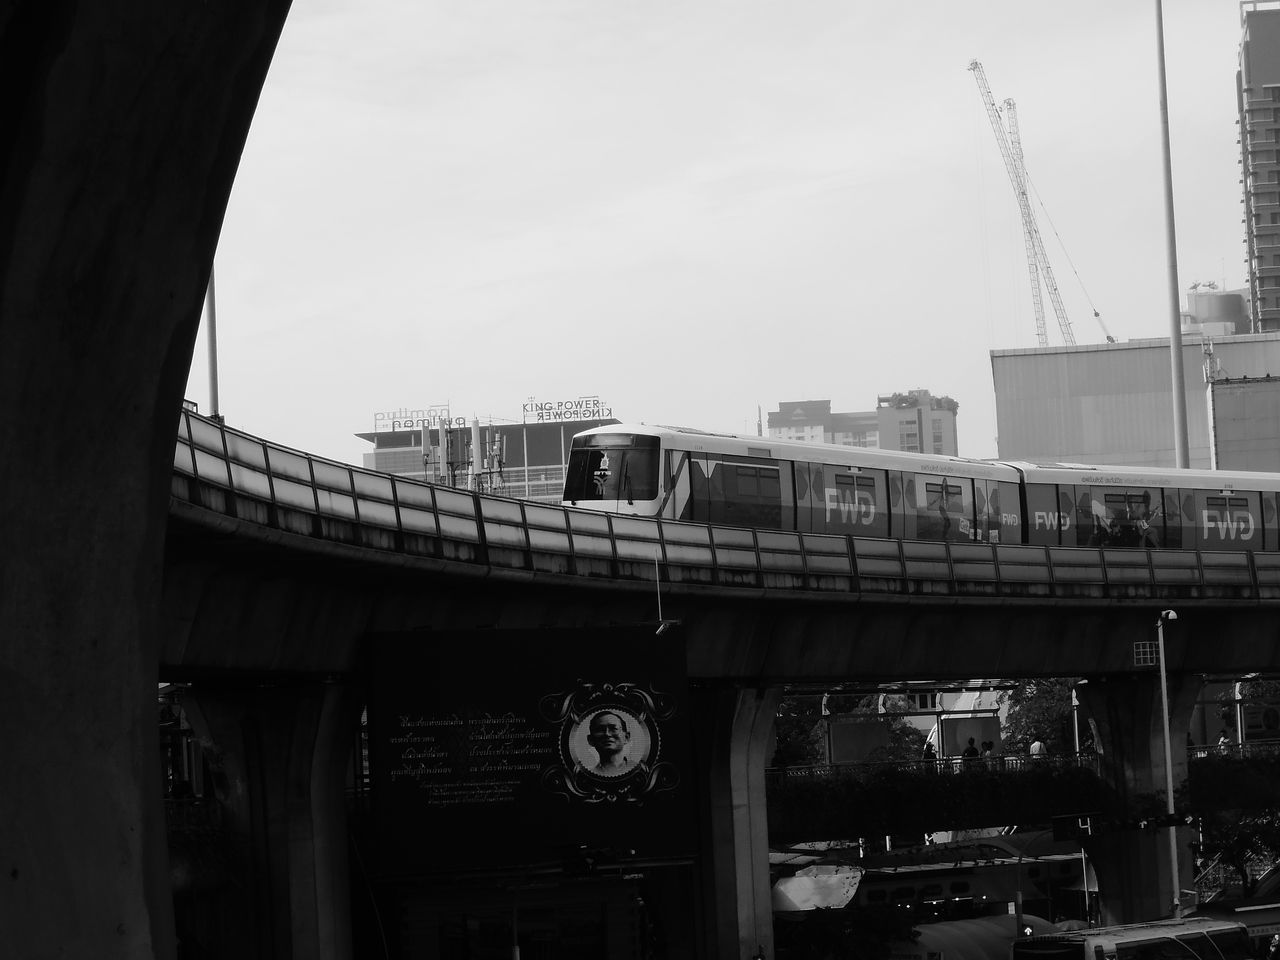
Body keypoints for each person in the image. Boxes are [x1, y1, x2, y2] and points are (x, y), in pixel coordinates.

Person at [586, 711, 633, 776]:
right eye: (600, 730)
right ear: (591, 740)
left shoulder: (637, 769)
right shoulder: (588, 775)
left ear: (626, 737)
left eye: (614, 729)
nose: (607, 734)